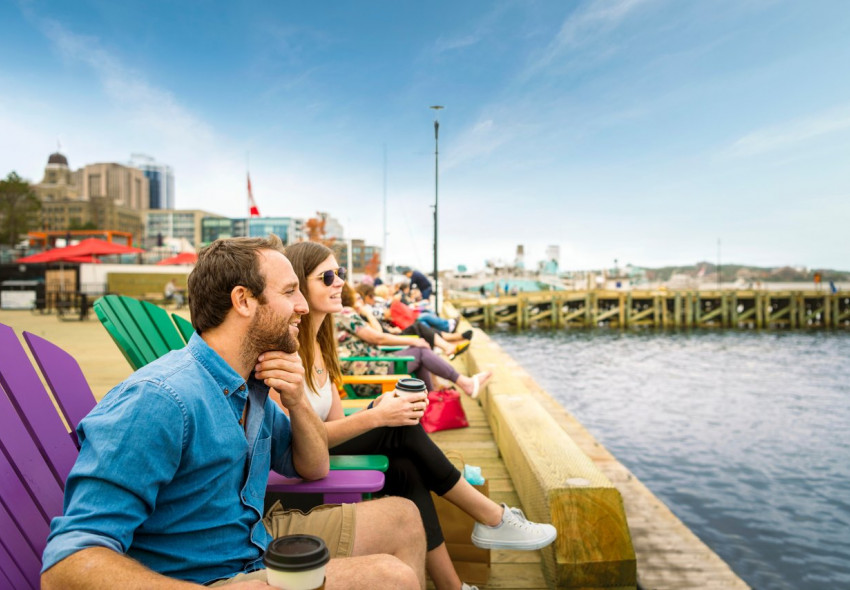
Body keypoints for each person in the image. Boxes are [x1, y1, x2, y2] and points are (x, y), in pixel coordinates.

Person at [41, 235, 426, 590]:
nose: (303, 307)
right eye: (291, 292)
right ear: (243, 300)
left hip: (253, 545)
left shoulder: (250, 386)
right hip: (206, 578)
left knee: (403, 517)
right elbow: (69, 562)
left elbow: (313, 467)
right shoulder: (160, 400)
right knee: (390, 578)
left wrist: (296, 399)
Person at [283, 241, 558, 590]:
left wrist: (378, 411)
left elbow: (333, 425)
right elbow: (293, 440)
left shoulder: (322, 346)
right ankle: (492, 516)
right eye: (327, 276)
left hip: (323, 449)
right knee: (401, 429)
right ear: (297, 286)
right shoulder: (284, 355)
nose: (339, 282)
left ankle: (452, 586)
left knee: (406, 466)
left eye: (340, 273)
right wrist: (376, 417)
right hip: (300, 467)